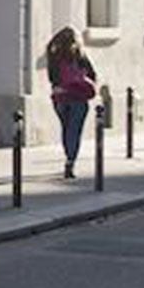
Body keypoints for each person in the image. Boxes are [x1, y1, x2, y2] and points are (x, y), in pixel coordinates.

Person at [46, 27, 98, 179]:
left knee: (66, 129)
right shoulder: (80, 55)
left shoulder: (54, 56)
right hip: (78, 98)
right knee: (75, 131)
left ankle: (68, 156)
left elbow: (52, 78)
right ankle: (70, 161)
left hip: (61, 98)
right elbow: (92, 74)